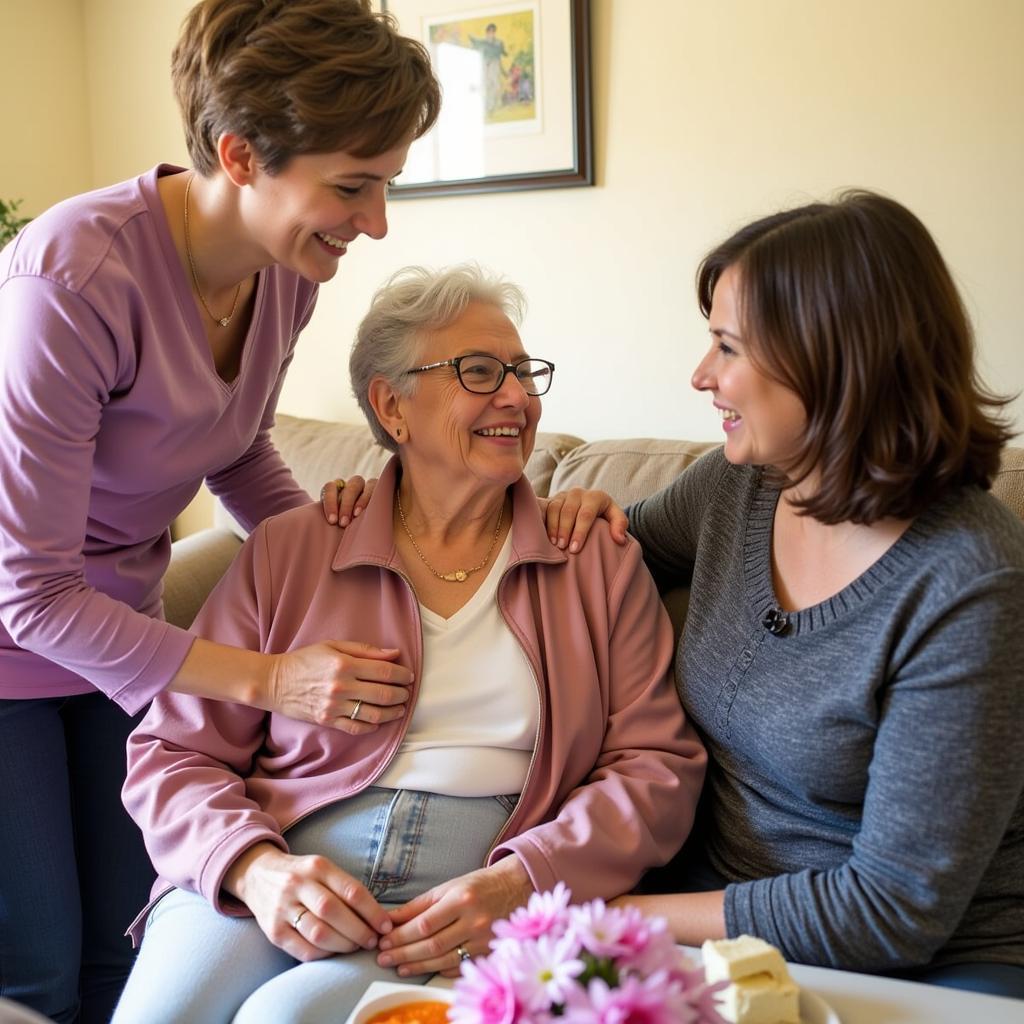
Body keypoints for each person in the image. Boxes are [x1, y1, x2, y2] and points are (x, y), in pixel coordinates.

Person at [111, 264, 706, 1023]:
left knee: (284, 1019)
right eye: (481, 372)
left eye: (525, 374)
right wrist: (254, 870)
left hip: (472, 890)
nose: (518, 398)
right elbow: (175, 751)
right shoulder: (290, 550)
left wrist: (524, 881)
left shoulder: (591, 555)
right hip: (283, 866)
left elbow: (656, 767)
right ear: (394, 406)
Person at [0, 2, 439, 1020]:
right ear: (240, 156)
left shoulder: (284, 275)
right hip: (17, 633)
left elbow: (235, 445)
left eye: (385, 185)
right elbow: (29, 593)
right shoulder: (74, 278)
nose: (374, 222)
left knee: (136, 938)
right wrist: (279, 678)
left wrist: (337, 554)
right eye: (351, 186)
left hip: (117, 636)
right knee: (34, 972)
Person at [544, 191, 1024, 998]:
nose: (701, 376)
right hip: (713, 923)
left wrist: (626, 915)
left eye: (727, 347)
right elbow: (607, 561)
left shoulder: (969, 586)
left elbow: (891, 911)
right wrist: (570, 519)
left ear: (832, 360)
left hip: (931, 964)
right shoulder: (742, 489)